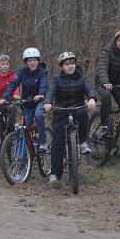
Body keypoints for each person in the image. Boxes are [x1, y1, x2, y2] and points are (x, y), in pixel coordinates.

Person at [44, 52, 97, 186]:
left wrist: (91, 98)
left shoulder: (81, 77)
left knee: (83, 114)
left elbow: (89, 89)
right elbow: (51, 92)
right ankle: (55, 173)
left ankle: (83, 142)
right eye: (67, 64)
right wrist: (48, 103)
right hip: (61, 111)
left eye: (72, 63)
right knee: (58, 142)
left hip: (77, 107)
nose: (70, 66)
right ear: (62, 66)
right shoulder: (57, 79)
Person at [3, 47, 48, 151]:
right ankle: (26, 154)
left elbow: (44, 85)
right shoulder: (22, 72)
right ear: (26, 62)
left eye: (35, 60)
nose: (32, 63)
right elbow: (13, 84)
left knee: (38, 115)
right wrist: (6, 97)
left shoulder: (41, 72)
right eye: (30, 60)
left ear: (38, 61)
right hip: (27, 102)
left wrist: (41, 94)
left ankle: (43, 142)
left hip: (39, 101)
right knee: (26, 128)